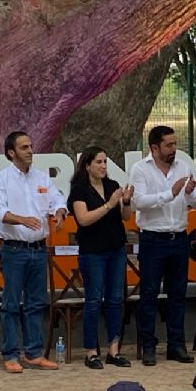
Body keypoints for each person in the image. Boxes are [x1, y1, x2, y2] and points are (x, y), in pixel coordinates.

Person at [0, 131, 67, 373]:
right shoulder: (0, 180)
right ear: (11, 152)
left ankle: (34, 353)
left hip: (38, 249)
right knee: (11, 304)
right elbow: (1, 212)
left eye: (31, 146)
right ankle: (11, 354)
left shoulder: (42, 178)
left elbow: (57, 199)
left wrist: (60, 211)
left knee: (36, 303)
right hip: (14, 249)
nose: (30, 151)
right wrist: (22, 219)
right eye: (24, 147)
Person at [130, 126, 196, 366]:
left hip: (179, 237)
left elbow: (195, 200)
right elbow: (139, 202)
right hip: (152, 239)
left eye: (175, 144)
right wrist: (169, 194)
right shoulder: (140, 169)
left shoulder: (183, 166)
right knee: (149, 293)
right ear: (154, 147)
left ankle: (176, 345)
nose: (174, 149)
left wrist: (190, 193)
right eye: (168, 145)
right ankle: (148, 346)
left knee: (177, 294)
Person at [68, 146, 135, 370]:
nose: (103, 166)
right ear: (87, 165)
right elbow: (84, 219)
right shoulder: (79, 190)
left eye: (105, 162)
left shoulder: (112, 186)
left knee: (116, 298)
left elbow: (125, 217)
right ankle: (91, 351)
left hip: (115, 247)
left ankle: (114, 349)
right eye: (98, 162)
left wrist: (125, 201)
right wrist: (108, 204)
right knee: (94, 300)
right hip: (92, 250)